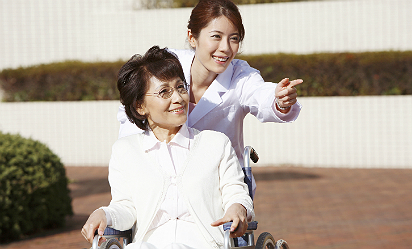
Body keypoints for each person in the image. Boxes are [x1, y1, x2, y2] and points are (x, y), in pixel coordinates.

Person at [81, 46, 254, 249]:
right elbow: (126, 206)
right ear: (140, 106)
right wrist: (105, 213)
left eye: (180, 87)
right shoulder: (125, 150)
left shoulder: (215, 143)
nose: (178, 98)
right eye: (164, 92)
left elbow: (235, 191)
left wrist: (237, 208)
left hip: (205, 243)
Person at [117, 0, 303, 171]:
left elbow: (261, 94)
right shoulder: (168, 65)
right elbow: (134, 105)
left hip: (221, 183)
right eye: (216, 36)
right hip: (164, 175)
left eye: (234, 38)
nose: (225, 48)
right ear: (192, 37)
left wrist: (279, 100)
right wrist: (132, 161)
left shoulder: (241, 76)